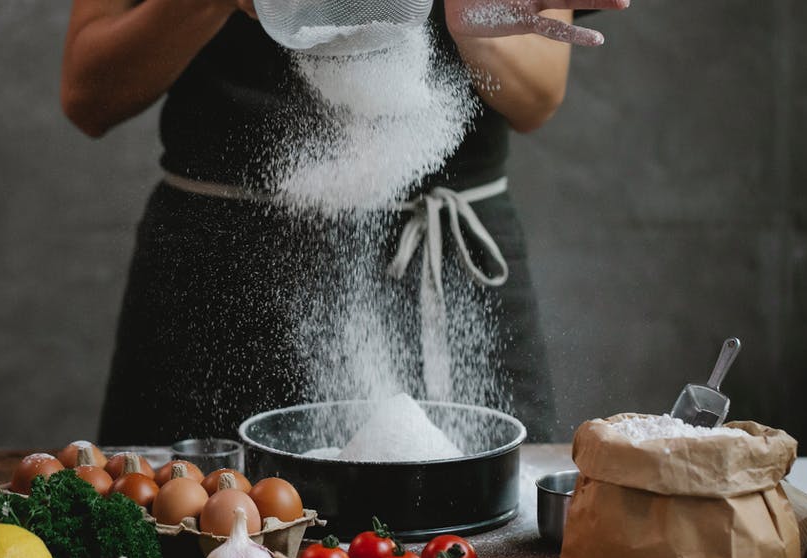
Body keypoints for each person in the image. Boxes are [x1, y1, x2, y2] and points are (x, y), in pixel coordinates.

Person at [61, 0, 629, 445]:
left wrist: (471, 22)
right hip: (220, 273)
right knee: (191, 551)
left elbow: (539, 96)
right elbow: (88, 93)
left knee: (486, 549)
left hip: (447, 269)